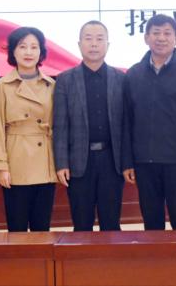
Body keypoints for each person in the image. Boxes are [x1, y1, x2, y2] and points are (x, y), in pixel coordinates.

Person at [122, 14, 176, 230]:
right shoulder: (133, 75)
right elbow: (126, 123)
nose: (161, 38)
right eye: (156, 33)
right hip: (144, 163)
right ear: (146, 38)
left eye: (167, 33)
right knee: (151, 223)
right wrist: (127, 162)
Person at [53, 21, 126, 231]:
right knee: (81, 225)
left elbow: (126, 125)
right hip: (78, 163)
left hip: (112, 162)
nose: (94, 44)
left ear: (107, 45)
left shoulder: (121, 79)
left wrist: (127, 163)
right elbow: (60, 125)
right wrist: (61, 163)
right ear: (79, 44)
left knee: (111, 225)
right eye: (88, 38)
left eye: (99, 39)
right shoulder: (65, 80)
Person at [0, 26, 57, 232]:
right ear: (13, 51)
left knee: (42, 228)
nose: (28, 52)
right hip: (16, 162)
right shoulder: (2, 85)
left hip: (45, 162)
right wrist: (1, 166)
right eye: (22, 46)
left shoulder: (51, 85)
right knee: (17, 229)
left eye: (34, 47)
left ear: (41, 52)